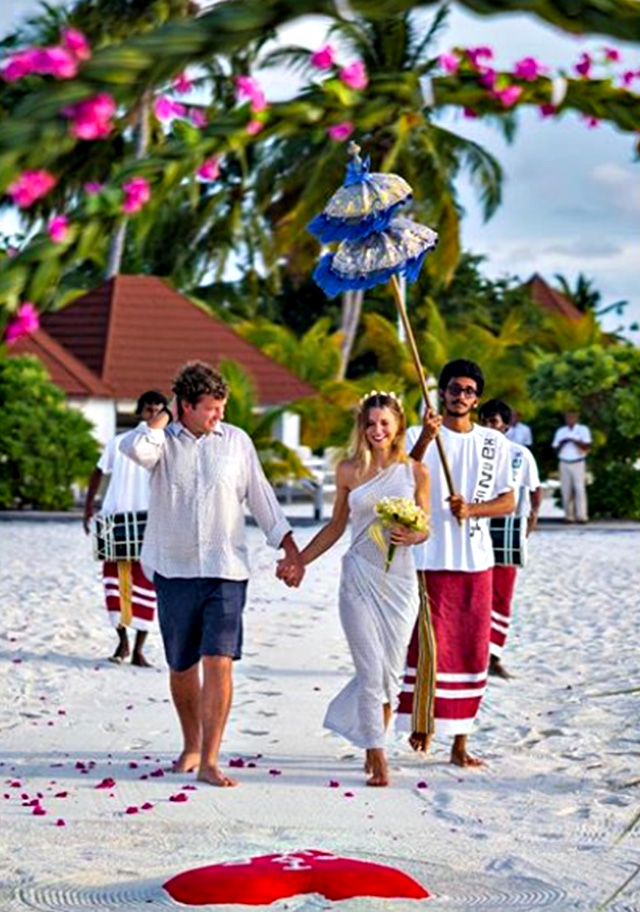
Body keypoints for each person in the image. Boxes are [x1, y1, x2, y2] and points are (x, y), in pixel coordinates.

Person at [120, 361, 304, 788]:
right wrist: (163, 415)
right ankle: (192, 744)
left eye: (222, 407)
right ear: (185, 406)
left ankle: (211, 758)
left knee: (219, 661)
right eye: (210, 408)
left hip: (226, 570)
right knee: (182, 665)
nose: (219, 415)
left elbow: (262, 498)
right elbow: (134, 447)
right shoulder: (161, 442)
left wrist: (290, 548)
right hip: (173, 569)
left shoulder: (237, 441)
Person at [279, 392, 429, 788]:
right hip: (358, 578)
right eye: (370, 423)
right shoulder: (348, 470)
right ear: (362, 428)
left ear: (397, 425)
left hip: (399, 582)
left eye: (384, 423)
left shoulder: (415, 471)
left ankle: (369, 737)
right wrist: (300, 562)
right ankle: (378, 756)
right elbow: (334, 528)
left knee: (390, 673)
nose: (377, 430)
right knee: (369, 671)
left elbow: (426, 525)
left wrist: (412, 534)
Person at [397, 360, 515, 767]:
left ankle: (460, 744)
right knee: (426, 647)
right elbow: (400, 477)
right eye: (453, 388)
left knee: (470, 650)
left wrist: (474, 508)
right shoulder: (419, 434)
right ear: (442, 392)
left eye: (467, 390)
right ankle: (421, 722)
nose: (459, 395)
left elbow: (509, 500)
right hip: (428, 557)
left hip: (476, 560)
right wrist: (425, 441)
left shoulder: (493, 443)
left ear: (476, 398)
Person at [83, 390, 169, 667]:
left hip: (151, 521)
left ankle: (139, 649)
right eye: (148, 410)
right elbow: (98, 472)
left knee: (147, 584)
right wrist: (88, 507)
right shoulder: (119, 443)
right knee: (115, 585)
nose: (152, 415)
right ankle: (122, 641)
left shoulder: (167, 446)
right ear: (139, 412)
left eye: (158, 410)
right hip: (116, 519)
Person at [478, 398, 542, 679]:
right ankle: (474, 655)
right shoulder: (472, 451)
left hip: (506, 532)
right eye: (485, 421)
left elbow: (534, 488)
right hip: (475, 529)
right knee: (476, 595)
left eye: (494, 422)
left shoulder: (520, 455)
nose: (489, 426)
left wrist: (532, 518)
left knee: (502, 595)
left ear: (505, 426)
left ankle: (494, 656)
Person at [552, 411, 591, 523]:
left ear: (576, 418)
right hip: (564, 462)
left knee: (580, 489)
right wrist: (564, 441)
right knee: (566, 490)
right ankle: (569, 516)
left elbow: (587, 446)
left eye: (572, 417)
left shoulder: (583, 430)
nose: (570, 419)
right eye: (568, 417)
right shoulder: (561, 431)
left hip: (578, 462)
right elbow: (556, 447)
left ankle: (582, 516)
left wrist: (573, 440)